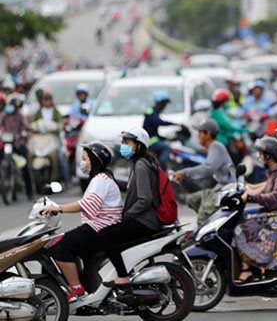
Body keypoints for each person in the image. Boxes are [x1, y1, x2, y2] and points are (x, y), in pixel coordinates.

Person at [43, 142, 122, 301]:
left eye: (85, 158)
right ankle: (79, 283)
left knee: (58, 246)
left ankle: (76, 289)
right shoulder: (101, 178)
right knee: (69, 244)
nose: (82, 162)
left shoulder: (101, 179)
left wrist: (59, 208)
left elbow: (87, 204)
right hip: (99, 227)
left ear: (94, 160)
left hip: (100, 229)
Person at [97, 127, 163, 286]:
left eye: (127, 142)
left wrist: (126, 216)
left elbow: (144, 199)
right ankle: (129, 273)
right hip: (145, 219)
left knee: (104, 236)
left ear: (139, 145)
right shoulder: (141, 163)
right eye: (122, 142)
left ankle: (123, 276)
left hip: (146, 221)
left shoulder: (141, 165)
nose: (123, 145)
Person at [232, 136, 277, 283]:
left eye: (261, 154)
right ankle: (253, 266)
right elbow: (264, 189)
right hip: (270, 213)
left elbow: (274, 197)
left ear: (268, 155)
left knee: (240, 230)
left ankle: (248, 269)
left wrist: (251, 197)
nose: (259, 157)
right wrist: (248, 189)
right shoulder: (274, 172)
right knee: (241, 220)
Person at [173, 119, 235, 225]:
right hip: (219, 188)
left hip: (226, 190)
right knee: (192, 200)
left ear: (208, 134)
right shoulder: (213, 147)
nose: (197, 136)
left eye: (200, 132)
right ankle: (211, 221)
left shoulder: (216, 146)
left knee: (203, 215)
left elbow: (208, 168)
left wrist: (184, 173)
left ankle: (205, 230)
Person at [31, 91, 71, 185]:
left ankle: (66, 180)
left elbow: (61, 123)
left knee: (61, 157)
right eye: (45, 100)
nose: (47, 102)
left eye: (48, 100)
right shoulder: (38, 112)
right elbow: (32, 122)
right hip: (41, 139)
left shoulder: (55, 111)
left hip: (54, 138)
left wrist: (59, 126)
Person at [0, 98, 33, 200]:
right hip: (7, 143)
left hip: (18, 144)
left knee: (24, 167)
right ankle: (9, 190)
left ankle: (29, 192)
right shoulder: (4, 115)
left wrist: (25, 134)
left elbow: (27, 128)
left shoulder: (20, 116)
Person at [143, 90, 178, 165]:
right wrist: (175, 124)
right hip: (150, 143)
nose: (165, 106)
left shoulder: (155, 113)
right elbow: (158, 122)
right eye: (164, 104)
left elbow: (156, 134)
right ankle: (160, 167)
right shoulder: (150, 111)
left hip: (153, 140)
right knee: (167, 148)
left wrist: (168, 139)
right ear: (160, 103)